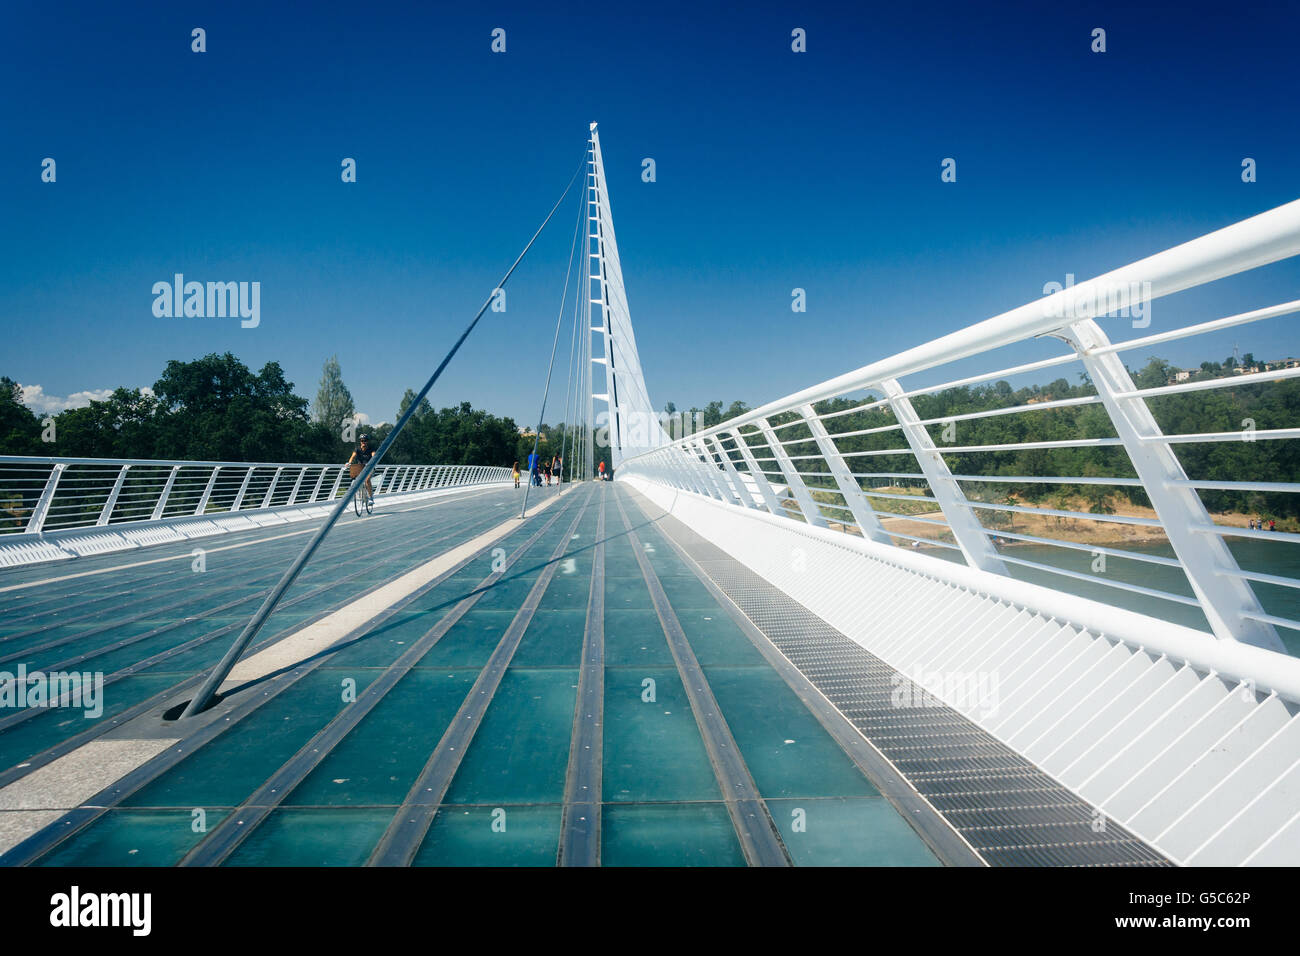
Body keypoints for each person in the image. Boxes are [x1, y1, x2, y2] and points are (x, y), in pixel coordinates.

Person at [347, 435, 376, 500]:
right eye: (362, 440)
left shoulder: (371, 449)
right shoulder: (357, 449)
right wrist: (349, 463)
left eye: (365, 440)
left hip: (369, 468)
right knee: (354, 479)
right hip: (360, 468)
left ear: (367, 441)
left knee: (367, 480)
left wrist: (374, 459)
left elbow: (374, 455)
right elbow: (352, 457)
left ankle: (371, 497)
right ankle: (359, 493)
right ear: (360, 441)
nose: (363, 442)